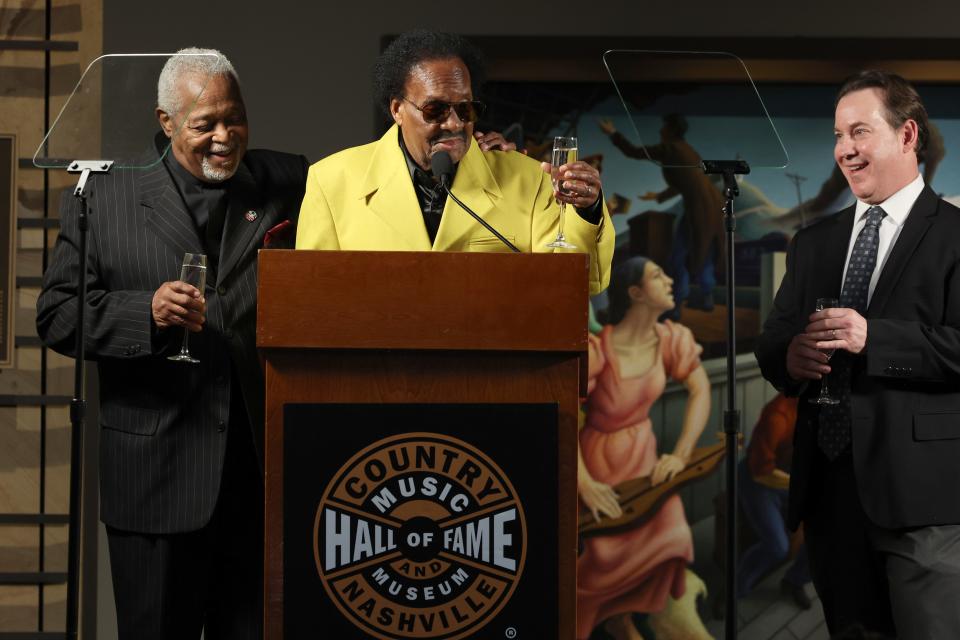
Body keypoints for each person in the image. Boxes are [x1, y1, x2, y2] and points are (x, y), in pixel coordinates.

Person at [36, 49, 308, 640]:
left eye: (234, 119)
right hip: (154, 479)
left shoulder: (289, 182)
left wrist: (479, 164)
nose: (224, 137)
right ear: (165, 122)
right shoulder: (101, 199)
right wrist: (146, 313)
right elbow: (57, 315)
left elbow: (367, 186)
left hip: (258, 477)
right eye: (203, 123)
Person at [756, 70, 960, 639]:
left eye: (860, 132)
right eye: (839, 135)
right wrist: (788, 357)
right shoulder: (814, 241)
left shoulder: (957, 235)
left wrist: (874, 339)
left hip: (926, 505)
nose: (845, 149)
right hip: (829, 500)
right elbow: (773, 344)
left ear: (908, 135)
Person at [296, 30, 614, 295]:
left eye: (466, 109)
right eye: (435, 110)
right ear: (397, 109)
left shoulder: (528, 179)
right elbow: (311, 296)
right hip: (376, 368)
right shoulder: (331, 181)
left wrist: (586, 210)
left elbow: (570, 287)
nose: (454, 123)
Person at [577, 256, 712, 640]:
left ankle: (632, 620)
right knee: (600, 565)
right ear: (635, 292)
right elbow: (562, 412)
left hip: (646, 462)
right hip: (598, 467)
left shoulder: (671, 339)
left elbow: (700, 389)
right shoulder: (598, 349)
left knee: (673, 539)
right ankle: (615, 623)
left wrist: (681, 453)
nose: (670, 280)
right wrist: (584, 484)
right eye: (658, 275)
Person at [599, 114, 725, 314]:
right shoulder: (689, 151)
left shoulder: (671, 148)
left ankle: (676, 302)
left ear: (671, 131)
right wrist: (659, 196)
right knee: (705, 250)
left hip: (699, 209)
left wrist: (613, 133)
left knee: (679, 255)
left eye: (664, 129)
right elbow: (687, 181)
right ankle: (705, 296)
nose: (660, 132)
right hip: (711, 207)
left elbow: (635, 152)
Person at [736, 393, 812, 609]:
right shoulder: (778, 415)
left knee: (825, 531)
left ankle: (794, 580)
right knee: (777, 546)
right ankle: (736, 588)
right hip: (759, 480)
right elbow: (761, 472)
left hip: (792, 478)